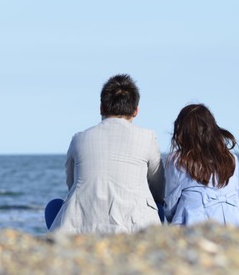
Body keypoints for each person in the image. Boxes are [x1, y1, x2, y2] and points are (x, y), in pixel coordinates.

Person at [45, 74, 164, 234]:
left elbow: (71, 184)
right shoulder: (148, 137)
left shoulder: (79, 139)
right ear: (136, 111)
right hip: (134, 227)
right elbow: (158, 188)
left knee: (54, 207)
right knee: (159, 207)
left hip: (82, 227)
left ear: (101, 107)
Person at [163, 103, 239, 226]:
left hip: (194, 220)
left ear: (183, 131)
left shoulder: (178, 160)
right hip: (235, 219)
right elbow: (237, 193)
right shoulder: (231, 158)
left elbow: (170, 202)